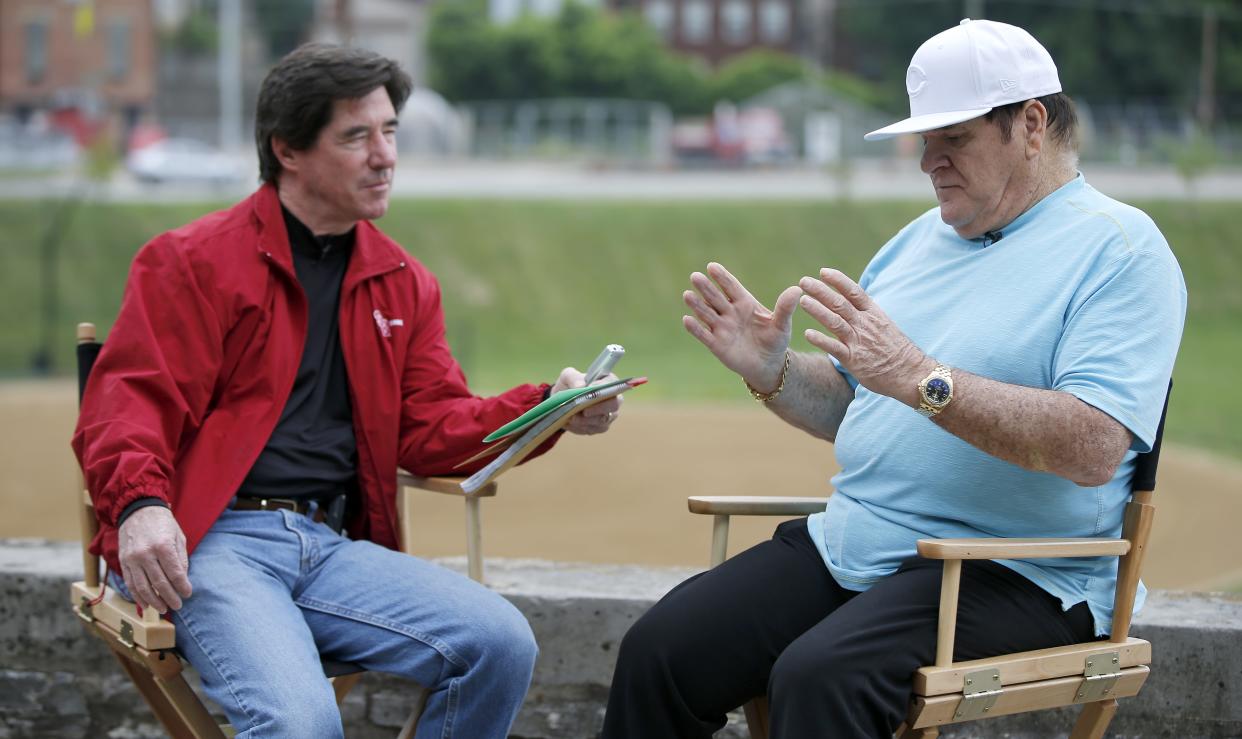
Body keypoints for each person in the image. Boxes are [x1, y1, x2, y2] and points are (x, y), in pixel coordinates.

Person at [603, 19, 1185, 738]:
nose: (927, 161)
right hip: (859, 541)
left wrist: (922, 378)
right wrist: (775, 372)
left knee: (818, 676)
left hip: (1016, 572)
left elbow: (1093, 447)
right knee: (659, 653)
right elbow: (859, 405)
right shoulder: (918, 240)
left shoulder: (1121, 251)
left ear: (1031, 125)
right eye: (923, 141)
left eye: (954, 139)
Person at [72, 43, 622, 738]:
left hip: (333, 545)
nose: (385, 154)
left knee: (500, 644)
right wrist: (143, 505)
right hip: (209, 542)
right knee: (302, 724)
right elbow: (129, 402)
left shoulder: (403, 282)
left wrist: (550, 409)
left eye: (389, 131)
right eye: (356, 136)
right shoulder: (190, 261)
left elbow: (431, 426)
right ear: (289, 151)